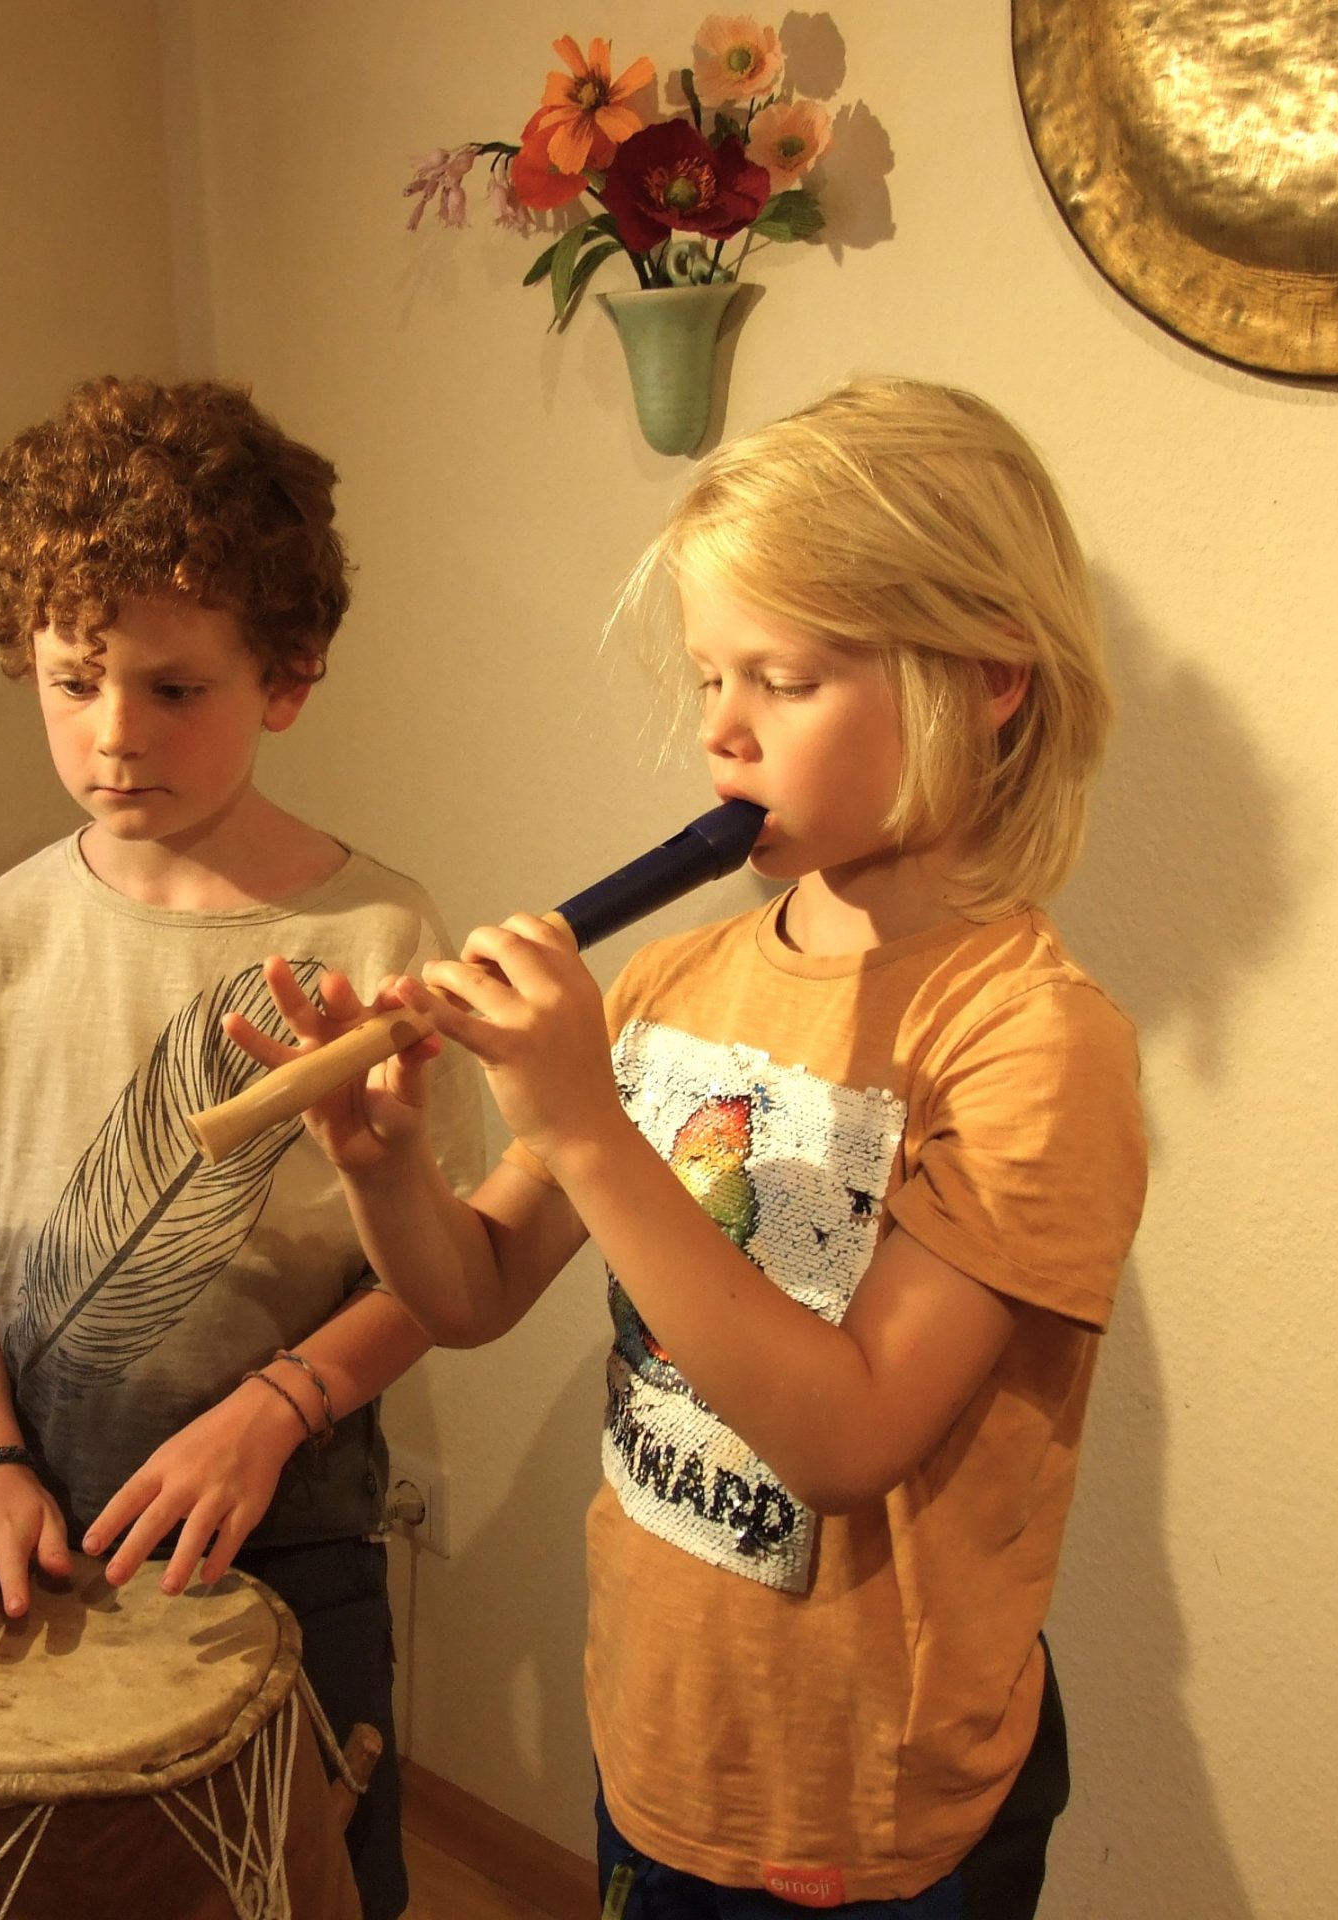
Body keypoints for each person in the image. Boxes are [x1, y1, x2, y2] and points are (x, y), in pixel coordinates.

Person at [234, 378, 1148, 1918]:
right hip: (665, 1738)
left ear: (987, 678)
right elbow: (471, 1291)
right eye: (710, 673)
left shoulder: (1034, 1042)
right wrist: (386, 1168)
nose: (719, 728)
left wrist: (588, 1124)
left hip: (871, 1813)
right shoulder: (674, 983)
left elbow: (849, 1440)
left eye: (782, 679)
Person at [0, 374, 483, 1920]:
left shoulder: (376, 933)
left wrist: (280, 1410)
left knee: (311, 1882)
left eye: (173, 689)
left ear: (286, 677)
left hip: (293, 1537)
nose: (113, 738)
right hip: (39, 1532)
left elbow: (443, 1267)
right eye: (73, 680)